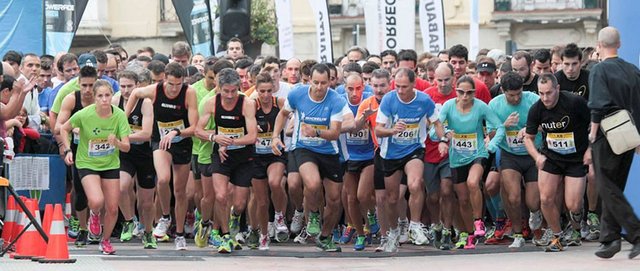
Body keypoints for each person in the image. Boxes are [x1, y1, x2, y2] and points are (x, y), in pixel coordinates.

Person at [271, 63, 347, 252]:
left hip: (329, 151)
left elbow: (336, 133)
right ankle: (313, 214)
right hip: (303, 148)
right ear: (309, 80)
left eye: (323, 83)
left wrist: (317, 132)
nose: (319, 87)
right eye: (315, 83)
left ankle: (326, 235)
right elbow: (283, 114)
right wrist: (274, 137)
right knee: (312, 184)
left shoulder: (336, 100)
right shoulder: (298, 94)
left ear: (330, 81)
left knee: (335, 199)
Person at [125, 62, 198, 250]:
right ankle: (165, 216)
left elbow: (194, 127)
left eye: (178, 84)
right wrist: (124, 120)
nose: (174, 89)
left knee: (180, 192)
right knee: (163, 179)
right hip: (160, 140)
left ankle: (180, 234)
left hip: (181, 141)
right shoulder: (155, 90)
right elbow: (134, 93)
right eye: (171, 84)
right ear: (165, 79)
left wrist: (176, 132)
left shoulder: (189, 93)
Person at [58, 79, 131, 255]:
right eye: (100, 96)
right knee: (97, 200)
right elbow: (63, 128)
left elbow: (127, 147)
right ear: (95, 98)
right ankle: (95, 215)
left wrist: (117, 142)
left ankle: (105, 241)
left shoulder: (119, 115)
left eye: (107, 95)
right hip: (87, 162)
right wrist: (68, 149)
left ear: (112, 96)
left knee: (113, 207)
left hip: (110, 164)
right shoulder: (84, 114)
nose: (104, 99)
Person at [375, 68, 442, 252]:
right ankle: (393, 232)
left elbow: (436, 122)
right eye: (397, 86)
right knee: (392, 198)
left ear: (414, 84)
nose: (400, 90)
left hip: (414, 149)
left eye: (404, 86)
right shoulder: (389, 99)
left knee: (415, 184)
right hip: (390, 153)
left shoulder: (423, 100)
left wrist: (443, 139)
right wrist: (393, 130)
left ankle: (415, 225)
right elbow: (378, 130)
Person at [588, 26, 640, 259]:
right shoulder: (633, 70)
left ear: (599, 45)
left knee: (606, 186)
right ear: (618, 45)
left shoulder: (598, 71)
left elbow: (598, 104)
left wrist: (593, 133)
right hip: (629, 133)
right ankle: (609, 238)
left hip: (607, 134)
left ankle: (637, 233)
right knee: (614, 186)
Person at [524, 73, 591, 253]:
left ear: (558, 89)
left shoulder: (575, 102)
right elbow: (528, 138)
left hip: (576, 159)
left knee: (573, 204)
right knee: (545, 198)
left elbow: (594, 125)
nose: (545, 98)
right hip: (551, 157)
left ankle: (576, 222)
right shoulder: (536, 109)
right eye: (541, 93)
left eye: (549, 93)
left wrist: (590, 150)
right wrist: (536, 156)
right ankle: (557, 236)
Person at [437, 75, 505, 249]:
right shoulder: (448, 106)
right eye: (461, 92)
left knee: (473, 182)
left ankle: (478, 222)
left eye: (469, 93)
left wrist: (492, 145)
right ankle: (468, 235)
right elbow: (434, 129)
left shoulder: (481, 106)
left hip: (478, 153)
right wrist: (445, 137)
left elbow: (499, 127)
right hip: (457, 157)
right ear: (456, 91)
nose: (465, 96)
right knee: (463, 199)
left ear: (474, 93)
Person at [195, 68, 257, 253]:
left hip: (244, 156)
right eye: (226, 91)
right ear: (218, 87)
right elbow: (198, 130)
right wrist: (215, 138)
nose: (230, 95)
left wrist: (228, 142)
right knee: (220, 196)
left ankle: (235, 218)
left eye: (233, 91)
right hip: (221, 155)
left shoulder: (246, 103)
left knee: (239, 203)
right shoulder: (211, 103)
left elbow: (252, 136)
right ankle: (225, 236)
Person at [488, 71, 541, 248]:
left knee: (533, 201)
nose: (516, 98)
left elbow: (545, 123)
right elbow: (491, 134)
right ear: (503, 91)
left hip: (532, 152)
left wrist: (531, 129)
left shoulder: (533, 99)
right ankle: (517, 233)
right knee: (513, 196)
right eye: (511, 95)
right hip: (509, 154)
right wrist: (503, 126)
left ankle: (536, 217)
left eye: (519, 93)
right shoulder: (494, 105)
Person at [111, 70, 157, 249]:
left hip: (144, 154)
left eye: (129, 86)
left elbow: (146, 134)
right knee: (122, 187)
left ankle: (148, 231)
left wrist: (124, 136)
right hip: (125, 153)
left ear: (137, 85)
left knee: (146, 201)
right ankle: (129, 220)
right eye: (122, 86)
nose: (126, 90)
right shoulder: (116, 100)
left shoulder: (145, 103)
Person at [54, 65, 99, 246]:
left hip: (101, 149)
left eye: (91, 85)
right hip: (78, 148)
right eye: (84, 86)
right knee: (79, 190)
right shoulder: (72, 99)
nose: (88, 90)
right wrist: (66, 147)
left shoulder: (103, 99)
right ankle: (81, 227)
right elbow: (58, 126)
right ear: (78, 84)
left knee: (100, 191)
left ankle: (96, 226)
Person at [246, 73, 287, 250]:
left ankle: (279, 216)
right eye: (262, 91)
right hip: (256, 157)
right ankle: (263, 234)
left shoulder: (280, 103)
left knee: (275, 182)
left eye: (269, 91)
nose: (265, 95)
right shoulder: (251, 106)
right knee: (261, 201)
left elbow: (293, 116)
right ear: (256, 90)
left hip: (275, 153)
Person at [423, 62, 457, 250]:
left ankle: (447, 229)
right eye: (439, 80)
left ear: (453, 78)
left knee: (447, 190)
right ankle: (436, 225)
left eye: (446, 80)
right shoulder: (427, 95)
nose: (443, 84)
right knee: (433, 196)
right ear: (434, 78)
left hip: (451, 152)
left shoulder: (459, 95)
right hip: (429, 151)